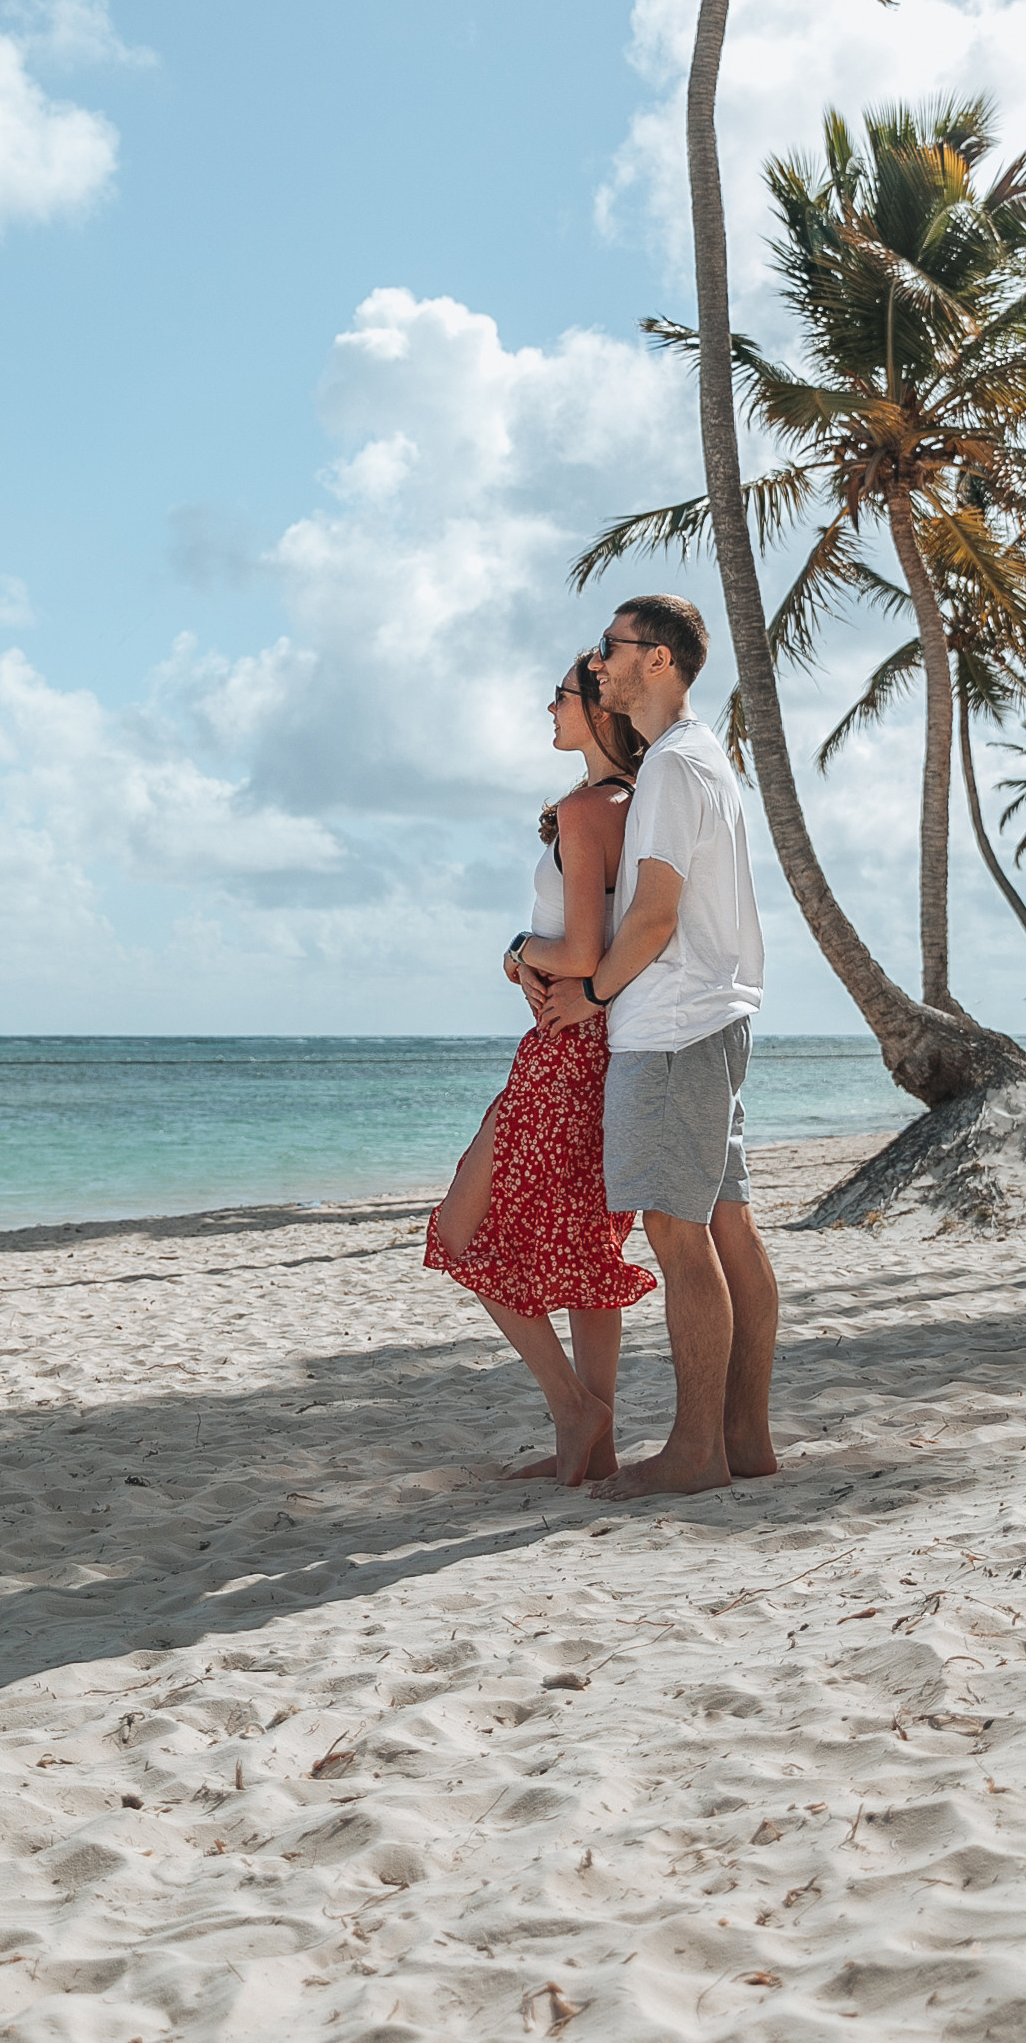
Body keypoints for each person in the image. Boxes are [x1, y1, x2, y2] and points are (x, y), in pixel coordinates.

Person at [538, 593, 779, 1500]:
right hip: (708, 1017)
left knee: (680, 1237)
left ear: (659, 662)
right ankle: (741, 1438)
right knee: (727, 1227)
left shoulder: (676, 768)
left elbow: (654, 914)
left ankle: (694, 1451)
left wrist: (592, 994)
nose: (599, 662)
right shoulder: (695, 762)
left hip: (673, 1024)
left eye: (613, 646)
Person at [425, 654, 657, 1485]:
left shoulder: (587, 808)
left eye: (559, 697)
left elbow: (582, 950)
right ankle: (590, 1446)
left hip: (566, 1046)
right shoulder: (636, 803)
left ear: (599, 710)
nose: (546, 708)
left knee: (457, 1227)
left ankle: (573, 1407)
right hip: (606, 1041)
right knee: (589, 1248)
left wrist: (520, 949)